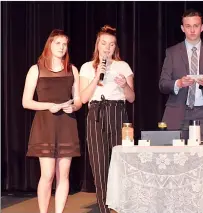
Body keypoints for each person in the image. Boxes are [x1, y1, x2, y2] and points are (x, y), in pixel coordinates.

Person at [22, 29, 82, 213]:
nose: (62, 47)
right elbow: (26, 102)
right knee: (47, 175)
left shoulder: (72, 69)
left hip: (67, 125)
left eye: (65, 44)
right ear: (49, 44)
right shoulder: (36, 69)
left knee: (63, 175)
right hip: (45, 125)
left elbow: (78, 100)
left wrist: (74, 107)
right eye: (58, 43)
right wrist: (49, 105)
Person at [79, 25, 135, 213]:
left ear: (115, 47)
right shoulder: (87, 67)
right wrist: (96, 77)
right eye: (104, 43)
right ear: (97, 45)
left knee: (121, 164)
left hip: (118, 113)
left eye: (111, 44)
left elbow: (131, 97)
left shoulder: (123, 66)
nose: (107, 47)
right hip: (96, 113)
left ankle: (121, 207)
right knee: (99, 165)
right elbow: (83, 98)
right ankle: (103, 209)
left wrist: (125, 85)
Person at [159, 9, 203, 143]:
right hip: (177, 112)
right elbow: (163, 84)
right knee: (176, 160)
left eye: (196, 26)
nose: (192, 30)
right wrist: (178, 83)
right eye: (188, 26)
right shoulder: (172, 52)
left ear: (202, 27)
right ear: (183, 28)